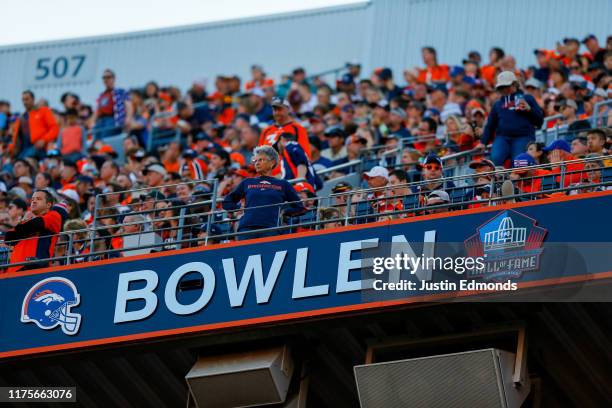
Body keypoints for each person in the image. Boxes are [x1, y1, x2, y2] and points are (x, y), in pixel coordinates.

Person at [222, 145, 305, 240]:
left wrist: (284, 212)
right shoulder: (247, 182)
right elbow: (227, 202)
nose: (257, 163)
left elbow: (300, 208)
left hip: (271, 229)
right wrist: (238, 208)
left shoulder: (283, 184)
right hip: (246, 230)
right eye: (255, 161)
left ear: (272, 162)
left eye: (261, 160)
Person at [478, 71, 544, 166]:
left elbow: (539, 121)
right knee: (495, 159)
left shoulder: (528, 98)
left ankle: (515, 180)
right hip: (503, 138)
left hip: (524, 137)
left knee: (519, 162)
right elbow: (490, 125)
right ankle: (498, 180)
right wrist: (483, 142)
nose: (504, 89)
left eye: (506, 86)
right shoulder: (497, 104)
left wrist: (529, 110)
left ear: (514, 85)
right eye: (501, 87)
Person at [3, 190, 67, 273]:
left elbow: (36, 224)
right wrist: (24, 225)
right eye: (32, 199)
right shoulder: (26, 221)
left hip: (36, 265)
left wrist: (21, 226)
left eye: (38, 199)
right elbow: (8, 238)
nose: (34, 201)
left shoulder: (54, 215)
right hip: (14, 269)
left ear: (48, 204)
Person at [258, 98, 311, 169]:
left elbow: (305, 155)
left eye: (280, 109)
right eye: (274, 110)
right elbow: (259, 154)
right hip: (268, 173)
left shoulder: (297, 128)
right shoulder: (266, 131)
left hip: (287, 172)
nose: (276, 113)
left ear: (288, 110)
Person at [10, 90, 59, 160]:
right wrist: (11, 151)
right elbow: (16, 139)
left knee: (23, 160)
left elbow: (54, 128)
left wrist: (44, 140)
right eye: (23, 100)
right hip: (23, 150)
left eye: (27, 99)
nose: (25, 102)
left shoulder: (43, 111)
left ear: (33, 99)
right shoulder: (21, 118)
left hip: (40, 148)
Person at [91, 69, 132, 138]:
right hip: (100, 121)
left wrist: (128, 118)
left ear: (114, 78)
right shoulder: (101, 95)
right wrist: (93, 122)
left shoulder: (120, 91)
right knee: (96, 141)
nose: (106, 79)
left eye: (108, 77)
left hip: (112, 119)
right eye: (104, 78)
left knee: (105, 138)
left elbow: (128, 105)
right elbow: (97, 110)